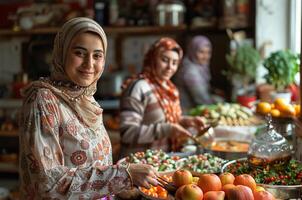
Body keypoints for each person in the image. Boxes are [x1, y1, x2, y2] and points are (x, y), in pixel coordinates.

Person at [18, 17, 159, 199]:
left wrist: (119, 187)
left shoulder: (86, 98)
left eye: (97, 55)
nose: (89, 64)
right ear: (62, 53)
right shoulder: (43, 100)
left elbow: (93, 166)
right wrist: (123, 175)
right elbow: (48, 183)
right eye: (79, 53)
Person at [119, 37, 205, 158]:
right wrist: (167, 129)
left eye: (175, 63)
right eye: (165, 60)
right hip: (137, 166)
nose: (170, 67)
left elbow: (163, 120)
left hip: (161, 162)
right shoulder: (138, 87)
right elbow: (127, 133)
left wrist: (186, 121)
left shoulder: (169, 88)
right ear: (153, 59)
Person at [174, 35, 224, 113]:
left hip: (196, 109)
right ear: (192, 51)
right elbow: (202, 100)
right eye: (201, 52)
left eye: (208, 52)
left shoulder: (198, 66)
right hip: (187, 114)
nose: (206, 56)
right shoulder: (190, 72)